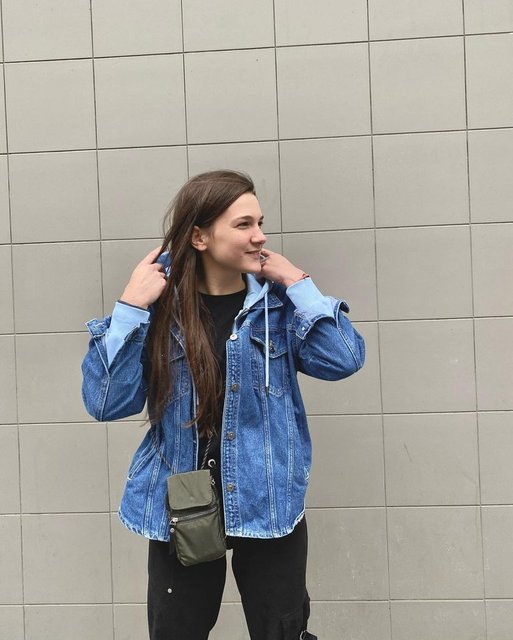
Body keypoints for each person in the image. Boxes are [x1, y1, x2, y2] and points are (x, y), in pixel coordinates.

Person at [81, 170, 365, 640]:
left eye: (260, 223)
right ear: (200, 237)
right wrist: (130, 306)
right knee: (177, 631)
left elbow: (344, 358)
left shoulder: (279, 308)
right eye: (244, 224)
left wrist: (297, 281)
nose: (260, 236)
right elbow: (105, 402)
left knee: (283, 631)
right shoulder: (160, 314)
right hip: (182, 504)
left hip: (268, 499)